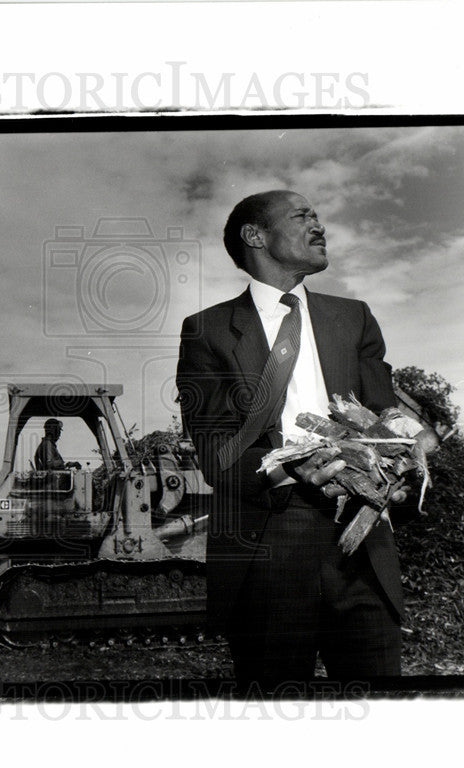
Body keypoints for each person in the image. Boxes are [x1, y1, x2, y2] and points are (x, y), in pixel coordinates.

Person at [176, 189, 408, 691]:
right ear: (255, 236)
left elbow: (385, 421)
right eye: (302, 215)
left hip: (362, 533)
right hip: (269, 540)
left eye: (319, 215)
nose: (318, 224)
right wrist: (288, 466)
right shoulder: (207, 331)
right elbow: (217, 451)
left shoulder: (354, 317)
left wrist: (407, 449)